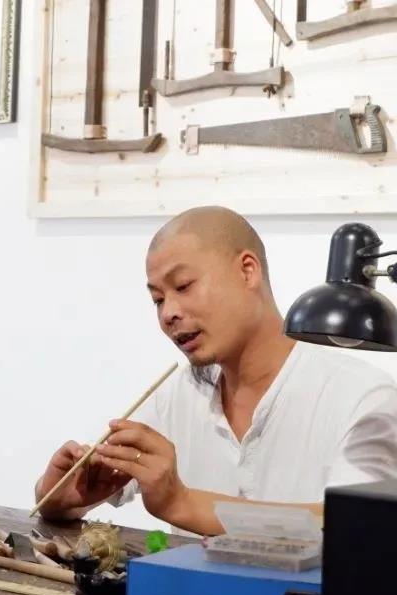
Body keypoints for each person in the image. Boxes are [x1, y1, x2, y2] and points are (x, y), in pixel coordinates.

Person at [35, 206, 397, 535]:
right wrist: (60, 497)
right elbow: (69, 499)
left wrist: (180, 502)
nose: (168, 313)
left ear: (247, 271)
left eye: (183, 286)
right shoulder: (178, 394)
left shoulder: (363, 398)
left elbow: (356, 527)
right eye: (157, 299)